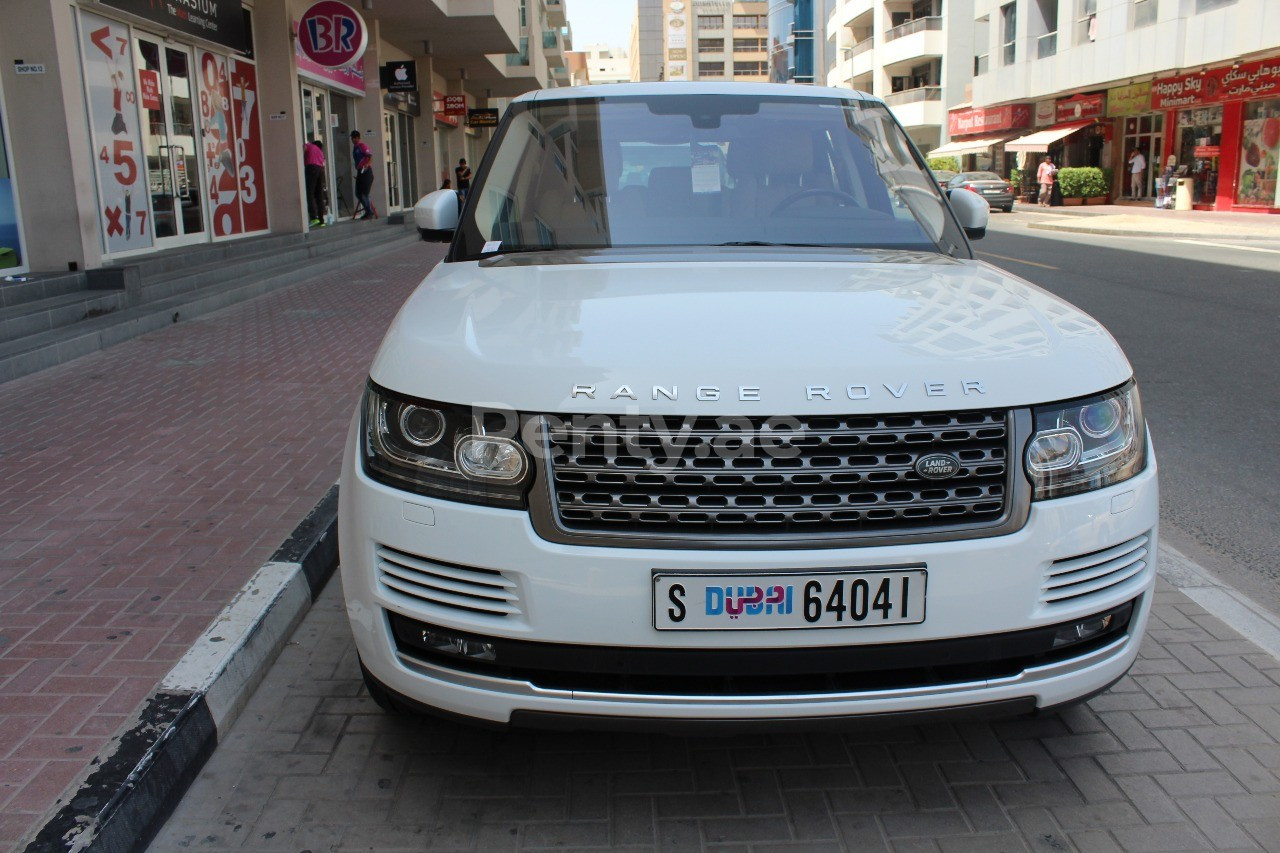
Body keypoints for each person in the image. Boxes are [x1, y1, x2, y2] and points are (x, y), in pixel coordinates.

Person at [351, 130, 377, 220]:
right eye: (352, 138)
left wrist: (367, 164)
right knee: (357, 193)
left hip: (366, 171)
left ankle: (369, 212)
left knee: (364, 193)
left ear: (358, 138)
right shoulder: (355, 148)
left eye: (354, 138)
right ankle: (367, 210)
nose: (353, 139)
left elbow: (370, 156)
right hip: (360, 172)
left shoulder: (362, 146)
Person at [303, 138, 326, 227]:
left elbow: (304, 147)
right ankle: (321, 220)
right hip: (320, 170)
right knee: (319, 194)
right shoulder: (320, 152)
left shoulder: (310, 146)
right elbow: (323, 161)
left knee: (310, 193)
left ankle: (314, 218)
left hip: (311, 168)